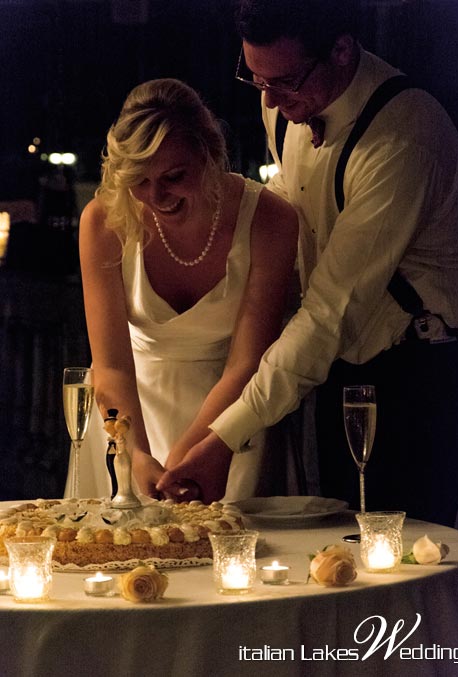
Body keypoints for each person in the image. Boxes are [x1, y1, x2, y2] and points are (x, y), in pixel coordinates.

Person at [158, 0, 458, 527]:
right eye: (254, 78)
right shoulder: (283, 104)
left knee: (409, 558)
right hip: (343, 369)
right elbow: (294, 206)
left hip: (424, 374)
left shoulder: (404, 135)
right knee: (341, 545)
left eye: (283, 81)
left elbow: (331, 311)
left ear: (343, 50)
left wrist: (224, 441)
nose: (270, 99)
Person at [64, 78, 298, 502]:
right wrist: (133, 456)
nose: (156, 196)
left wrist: (192, 453)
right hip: (127, 420)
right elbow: (112, 366)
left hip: (230, 429)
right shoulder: (103, 222)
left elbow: (247, 362)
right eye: (139, 179)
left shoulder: (270, 218)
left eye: (174, 176)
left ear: (208, 153)